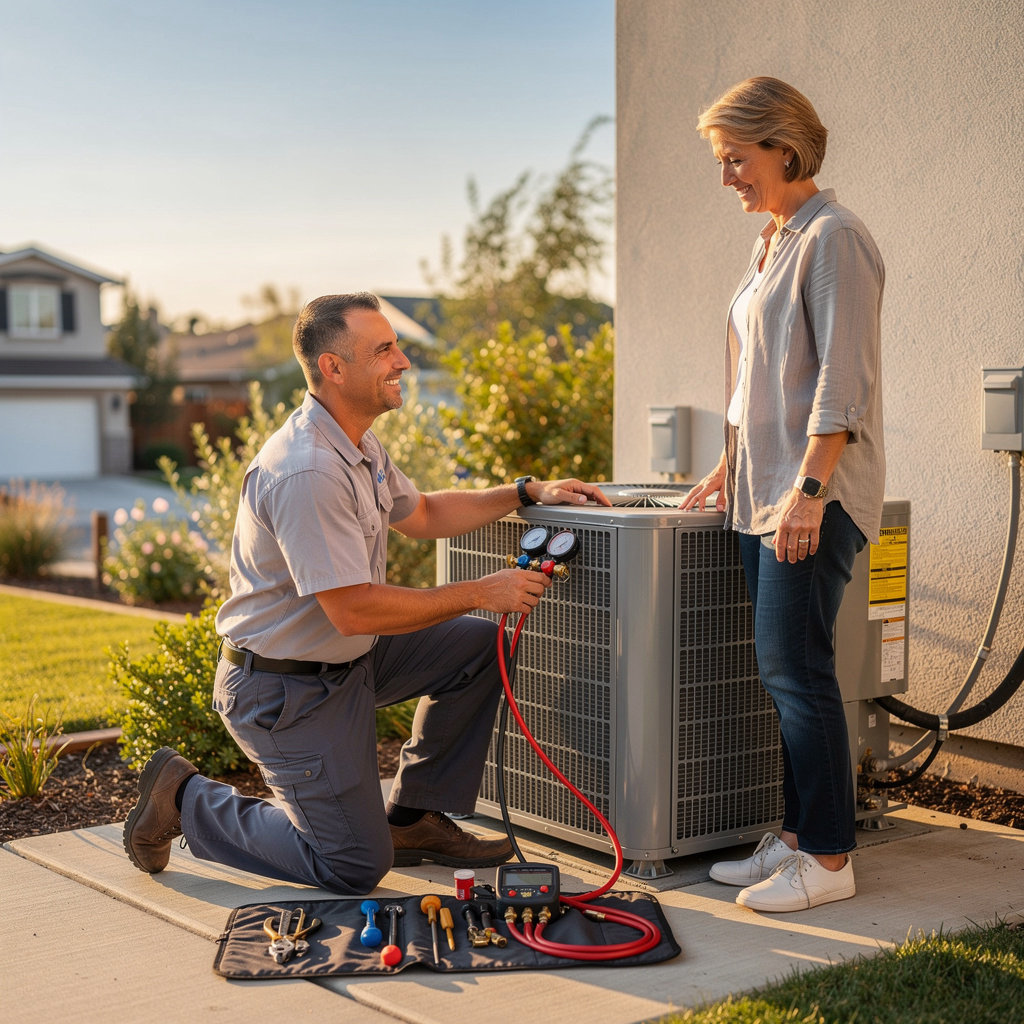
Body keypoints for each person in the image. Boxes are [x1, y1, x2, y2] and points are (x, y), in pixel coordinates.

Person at [123, 291, 611, 894]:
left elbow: (426, 512)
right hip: (286, 687)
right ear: (333, 367)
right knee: (351, 866)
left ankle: (411, 819)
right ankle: (187, 799)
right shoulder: (308, 469)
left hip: (348, 661)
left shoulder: (357, 445)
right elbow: (352, 610)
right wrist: (482, 589)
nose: (402, 361)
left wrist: (526, 490)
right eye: (384, 350)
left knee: (478, 645)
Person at [682, 78, 885, 912]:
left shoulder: (832, 237)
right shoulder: (772, 242)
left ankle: (830, 864)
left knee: (796, 671)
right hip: (758, 492)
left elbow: (843, 378)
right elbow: (757, 383)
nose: (726, 174)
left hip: (811, 496)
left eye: (736, 157)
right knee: (784, 672)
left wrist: (809, 488)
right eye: (720, 160)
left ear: (785, 148)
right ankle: (797, 840)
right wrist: (730, 464)